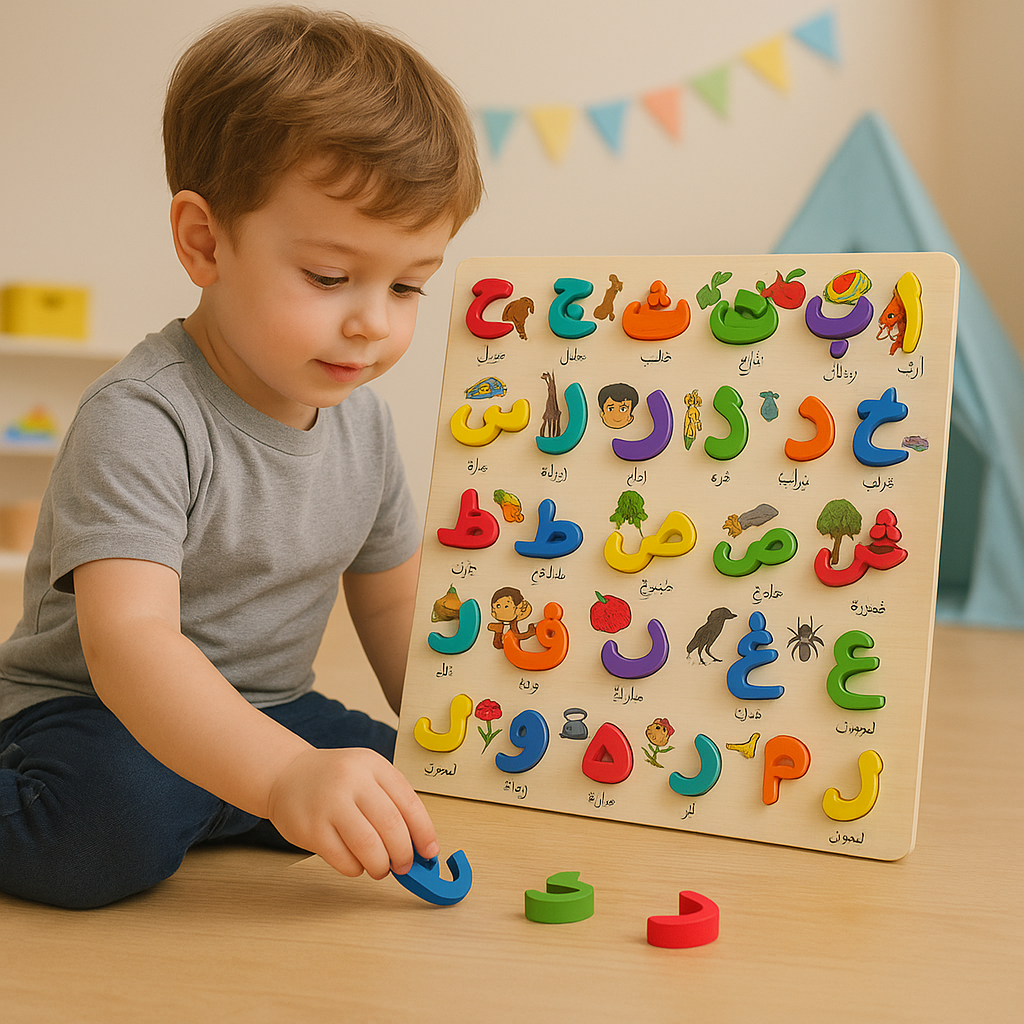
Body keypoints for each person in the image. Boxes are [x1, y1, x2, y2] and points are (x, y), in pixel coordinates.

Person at [0, 6, 483, 909]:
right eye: (330, 277)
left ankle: (231, 795)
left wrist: (457, 734)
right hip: (97, 716)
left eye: (408, 285)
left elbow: (393, 601)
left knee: (403, 775)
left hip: (269, 707)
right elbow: (130, 643)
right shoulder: (143, 418)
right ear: (205, 241)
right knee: (108, 828)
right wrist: (282, 777)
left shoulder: (366, 427)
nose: (372, 322)